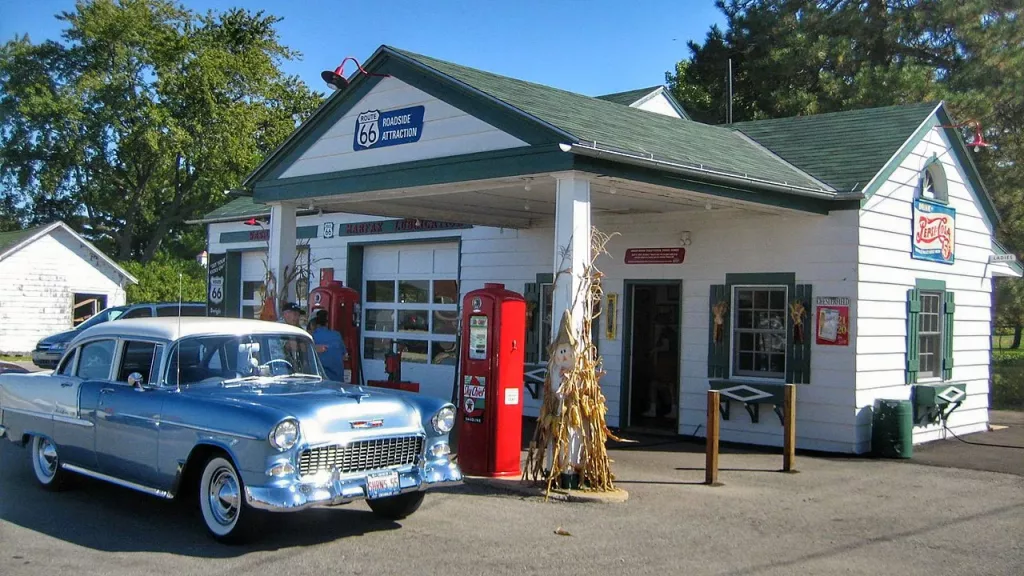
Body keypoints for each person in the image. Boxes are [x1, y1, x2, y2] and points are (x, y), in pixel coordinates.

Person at [309, 309, 346, 382]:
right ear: (326, 323)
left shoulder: (310, 338)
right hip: (338, 381)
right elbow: (344, 355)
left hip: (320, 382)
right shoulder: (337, 335)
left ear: (312, 324)